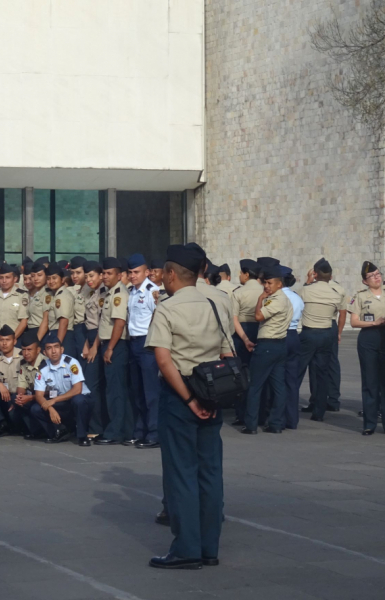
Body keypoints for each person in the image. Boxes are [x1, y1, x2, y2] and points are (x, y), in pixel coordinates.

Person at [146, 244, 231, 570]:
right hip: (213, 394)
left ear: (170, 274)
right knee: (210, 472)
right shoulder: (215, 303)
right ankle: (209, 547)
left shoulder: (167, 308)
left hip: (180, 396)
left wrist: (189, 399)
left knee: (181, 474)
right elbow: (228, 354)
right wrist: (209, 398)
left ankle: (186, 548)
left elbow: (164, 361)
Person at [241, 265, 293, 434]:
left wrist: (260, 299)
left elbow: (258, 316)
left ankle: (251, 424)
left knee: (255, 386)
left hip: (267, 345)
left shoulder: (275, 300)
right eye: (265, 283)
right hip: (279, 344)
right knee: (278, 387)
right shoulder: (285, 299)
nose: (266, 286)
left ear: (279, 284)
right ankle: (276, 423)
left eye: (270, 283)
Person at [348, 261, 385, 436]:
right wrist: (374, 322)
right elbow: (354, 322)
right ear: (364, 281)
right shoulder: (360, 296)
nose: (377, 278)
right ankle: (369, 423)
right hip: (369, 337)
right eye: (372, 276)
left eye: (378, 274)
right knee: (370, 381)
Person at [297, 258, 346, 422]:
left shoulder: (306, 290)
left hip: (309, 333)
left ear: (315, 274)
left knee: (297, 370)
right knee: (323, 372)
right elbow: (342, 312)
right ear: (330, 276)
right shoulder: (336, 292)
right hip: (327, 333)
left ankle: (287, 405)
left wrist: (307, 283)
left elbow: (298, 303)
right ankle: (319, 411)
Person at [31, 332, 93, 446]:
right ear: (44, 352)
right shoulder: (42, 368)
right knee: (36, 409)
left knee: (78, 400)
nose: (53, 351)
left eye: (56, 347)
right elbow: (38, 395)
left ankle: (82, 436)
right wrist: (50, 408)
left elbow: (77, 390)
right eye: (49, 348)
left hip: (79, 400)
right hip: (61, 403)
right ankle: (59, 431)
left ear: (62, 349)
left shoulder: (72, 363)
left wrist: (53, 401)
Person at [95, 257, 131, 445]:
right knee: (113, 389)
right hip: (108, 344)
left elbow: (119, 322)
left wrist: (110, 348)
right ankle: (121, 429)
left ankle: (115, 431)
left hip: (115, 345)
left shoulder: (119, 294)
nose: (105, 276)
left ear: (119, 275)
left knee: (115, 390)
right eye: (104, 273)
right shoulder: (109, 293)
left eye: (109, 273)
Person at [126, 253, 161, 449]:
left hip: (147, 344)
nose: (133, 275)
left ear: (146, 272)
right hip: (133, 343)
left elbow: (156, 320)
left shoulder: (152, 292)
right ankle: (140, 431)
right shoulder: (131, 291)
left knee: (151, 392)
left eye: (136, 272)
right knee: (137, 391)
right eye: (130, 272)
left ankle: (154, 433)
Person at [230, 259, 262, 426]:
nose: (239, 276)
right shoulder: (265, 291)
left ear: (247, 274)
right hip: (261, 331)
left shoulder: (238, 293)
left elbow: (234, 319)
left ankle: (242, 414)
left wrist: (244, 339)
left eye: (241, 273)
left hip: (242, 334)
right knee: (260, 376)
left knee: (241, 376)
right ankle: (260, 414)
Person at [81, 261, 106, 437]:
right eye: (87, 276)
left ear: (100, 275)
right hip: (90, 337)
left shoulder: (103, 294)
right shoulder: (90, 292)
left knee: (92, 384)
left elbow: (102, 323)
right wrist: (86, 344)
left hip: (99, 338)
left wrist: (94, 346)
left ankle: (97, 428)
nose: (89, 279)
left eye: (92, 276)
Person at [280, 267, 303, 429]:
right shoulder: (296, 297)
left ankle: (278, 416)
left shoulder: (277, 297)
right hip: (294, 335)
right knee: (291, 380)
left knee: (276, 379)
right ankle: (292, 418)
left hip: (279, 336)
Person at [0, 264, 29, 346]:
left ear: (14, 279)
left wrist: (12, 340)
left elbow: (24, 321)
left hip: (16, 340)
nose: (4, 281)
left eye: (7, 277)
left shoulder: (22, 295)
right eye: (1, 278)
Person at [38, 264, 76, 357]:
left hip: (63, 335)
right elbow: (45, 320)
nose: (51, 281)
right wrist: (36, 343)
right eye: (48, 279)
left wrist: (57, 345)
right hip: (54, 334)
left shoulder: (62, 296)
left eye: (54, 278)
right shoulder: (54, 295)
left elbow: (64, 322)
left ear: (62, 280)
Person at [14, 330, 47, 439]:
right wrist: (20, 397)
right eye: (23, 350)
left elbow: (51, 391)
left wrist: (30, 398)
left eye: (29, 350)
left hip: (48, 396)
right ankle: (34, 430)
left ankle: (51, 430)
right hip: (34, 395)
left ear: (38, 350)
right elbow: (21, 384)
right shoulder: (23, 363)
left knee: (35, 408)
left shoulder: (46, 364)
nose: (26, 353)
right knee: (16, 400)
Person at [26, 262, 50, 338]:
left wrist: (37, 341)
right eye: (33, 276)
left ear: (46, 276)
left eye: (39, 275)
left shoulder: (47, 294)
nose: (36, 279)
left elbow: (45, 321)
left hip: (41, 332)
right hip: (31, 331)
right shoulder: (34, 294)